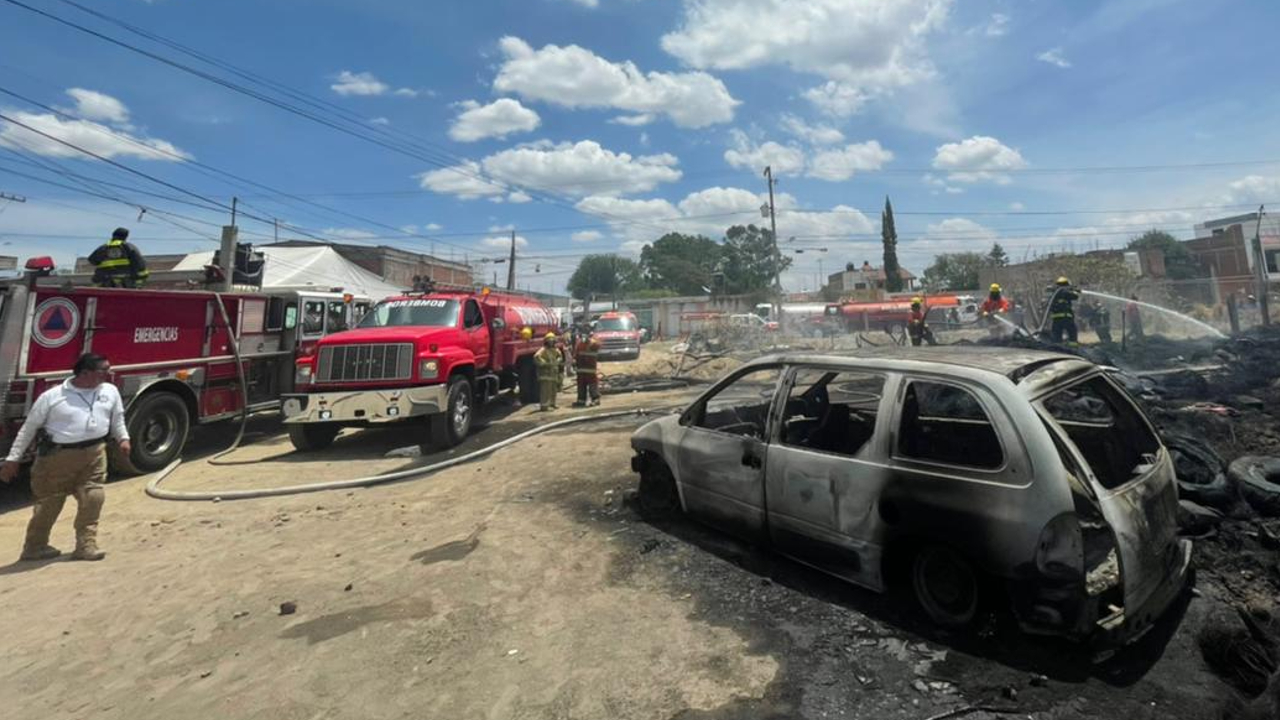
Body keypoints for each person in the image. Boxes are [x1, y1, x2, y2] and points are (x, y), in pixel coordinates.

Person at [0, 353, 130, 562]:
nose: (109, 373)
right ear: (85, 373)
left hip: (94, 453)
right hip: (57, 457)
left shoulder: (110, 391)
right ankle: (35, 546)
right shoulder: (53, 397)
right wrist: (13, 459)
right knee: (50, 503)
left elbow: (117, 418)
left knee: (93, 498)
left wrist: (123, 438)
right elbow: (29, 429)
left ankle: (85, 545)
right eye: (104, 370)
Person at [572, 329, 602, 408]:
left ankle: (595, 399)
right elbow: (576, 354)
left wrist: (591, 341)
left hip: (590, 369)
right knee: (581, 386)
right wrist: (574, 361)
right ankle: (581, 401)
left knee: (592, 385)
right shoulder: (579, 343)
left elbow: (598, 345)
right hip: (581, 370)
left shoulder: (593, 343)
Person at [534, 333, 563, 411]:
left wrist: (558, 361)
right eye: (549, 341)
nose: (551, 342)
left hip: (553, 374)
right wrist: (544, 363)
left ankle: (552, 403)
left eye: (552, 341)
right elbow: (536, 357)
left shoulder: (555, 350)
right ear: (546, 342)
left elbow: (560, 356)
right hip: (546, 374)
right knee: (545, 390)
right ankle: (544, 406)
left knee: (553, 390)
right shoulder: (543, 349)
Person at [1046, 277, 1079, 346]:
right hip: (1066, 318)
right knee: (1072, 332)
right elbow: (1075, 296)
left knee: (1057, 336)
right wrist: (1076, 291)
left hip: (1056, 320)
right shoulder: (1063, 291)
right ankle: (1073, 348)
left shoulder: (1054, 293)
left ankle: (1058, 348)